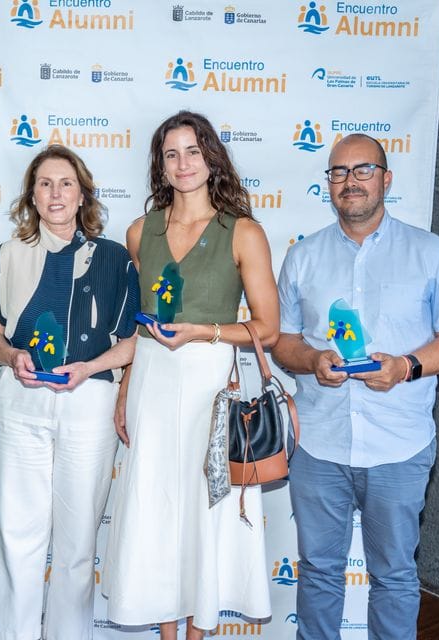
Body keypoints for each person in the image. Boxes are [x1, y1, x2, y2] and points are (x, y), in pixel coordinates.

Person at [272, 133, 439, 640]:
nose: (350, 181)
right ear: (329, 185)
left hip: (399, 446)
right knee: (318, 572)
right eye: (338, 172)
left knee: (395, 576)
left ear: (386, 179)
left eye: (363, 170)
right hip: (319, 445)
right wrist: (312, 359)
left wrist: (406, 365)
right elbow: (283, 343)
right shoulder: (303, 257)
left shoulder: (430, 252)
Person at [103, 111, 279, 638]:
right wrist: (125, 387)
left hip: (208, 382)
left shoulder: (243, 231)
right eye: (171, 153)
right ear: (160, 164)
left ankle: (198, 630)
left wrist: (204, 331)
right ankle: (165, 632)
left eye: (193, 152)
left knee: (204, 507)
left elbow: (267, 329)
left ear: (211, 158)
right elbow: (138, 328)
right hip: (152, 380)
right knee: (155, 506)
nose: (183, 163)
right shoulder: (140, 232)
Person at [0, 145, 139, 640]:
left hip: (88, 403)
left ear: (82, 192)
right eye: (44, 183)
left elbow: (133, 341)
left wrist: (89, 367)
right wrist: (11, 356)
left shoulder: (114, 258)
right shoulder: (8, 255)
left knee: (76, 545)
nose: (55, 193)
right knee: (15, 538)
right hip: (20, 404)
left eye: (65, 183)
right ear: (32, 193)